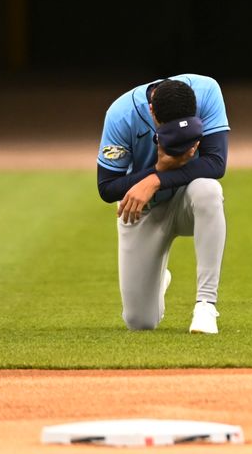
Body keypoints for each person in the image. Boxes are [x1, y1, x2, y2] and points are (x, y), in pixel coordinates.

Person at [97, 75, 230, 334]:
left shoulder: (207, 90)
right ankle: (157, 278)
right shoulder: (122, 113)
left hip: (186, 200)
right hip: (143, 210)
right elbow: (107, 187)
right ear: (152, 112)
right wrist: (157, 169)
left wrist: (156, 179)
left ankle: (205, 304)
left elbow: (216, 163)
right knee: (140, 323)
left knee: (209, 190)